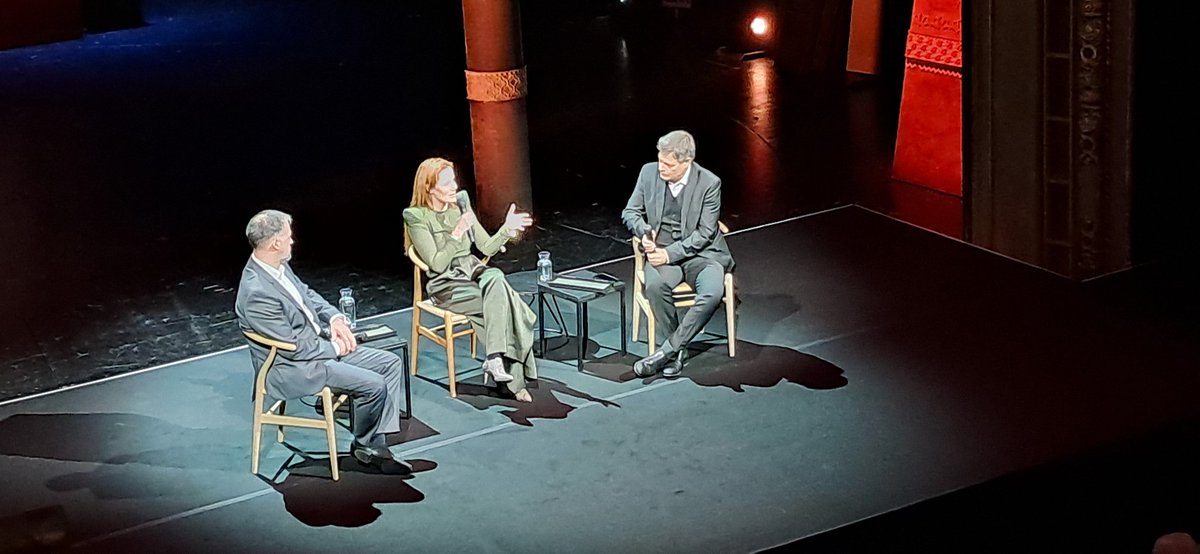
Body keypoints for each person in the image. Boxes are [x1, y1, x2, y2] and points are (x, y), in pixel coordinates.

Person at [235, 209, 412, 474]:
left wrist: (335, 319)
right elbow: (293, 347)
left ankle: (374, 442)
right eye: (288, 236)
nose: (292, 241)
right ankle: (365, 444)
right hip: (292, 367)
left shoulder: (276, 266)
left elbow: (307, 295)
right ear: (275, 243)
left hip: (316, 347)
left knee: (389, 363)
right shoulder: (256, 292)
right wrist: (335, 347)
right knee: (373, 385)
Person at [402, 157, 537, 402]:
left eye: (454, 179)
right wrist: (456, 233)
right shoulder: (416, 216)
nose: (454, 186)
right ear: (429, 188)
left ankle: (495, 358)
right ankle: (516, 382)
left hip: (475, 274)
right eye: (447, 182)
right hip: (447, 286)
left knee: (495, 275)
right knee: (507, 306)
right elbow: (437, 263)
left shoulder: (461, 203)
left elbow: (486, 246)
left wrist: (506, 229)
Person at [621, 130, 735, 378]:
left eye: (668, 164)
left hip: (703, 255)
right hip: (661, 250)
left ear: (687, 162)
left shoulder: (709, 183)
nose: (661, 167)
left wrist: (669, 255)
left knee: (712, 292)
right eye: (660, 160)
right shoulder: (648, 172)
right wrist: (645, 232)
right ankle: (677, 350)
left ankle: (668, 351)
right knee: (654, 286)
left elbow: (705, 233)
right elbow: (630, 212)